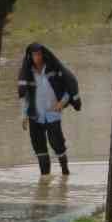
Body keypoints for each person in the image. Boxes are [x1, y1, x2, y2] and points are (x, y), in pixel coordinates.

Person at [18, 42, 77, 177]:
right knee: (40, 150)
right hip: (35, 117)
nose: (37, 58)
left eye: (39, 55)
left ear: (43, 55)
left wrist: (62, 103)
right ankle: (45, 179)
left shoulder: (54, 70)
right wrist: (24, 115)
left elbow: (69, 86)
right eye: (34, 55)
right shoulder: (28, 73)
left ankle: (65, 173)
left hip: (53, 115)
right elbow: (25, 96)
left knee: (58, 145)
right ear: (29, 57)